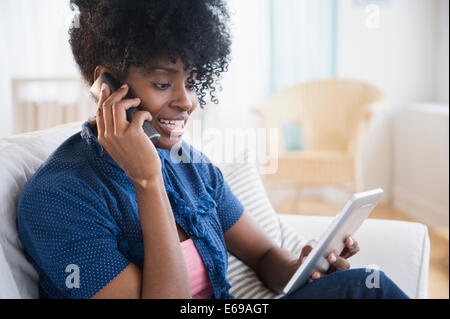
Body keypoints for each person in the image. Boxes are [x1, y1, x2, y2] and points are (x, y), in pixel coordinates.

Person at [16, 0, 408, 299]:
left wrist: (304, 267)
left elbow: (266, 257)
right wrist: (147, 180)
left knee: (361, 287)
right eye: (163, 83)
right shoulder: (58, 197)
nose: (187, 102)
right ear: (106, 87)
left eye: (192, 81)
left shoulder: (192, 167)